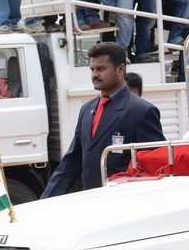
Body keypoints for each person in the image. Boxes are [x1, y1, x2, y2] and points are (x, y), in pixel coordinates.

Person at [42, 43, 165, 194]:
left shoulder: (142, 111)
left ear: (120, 69)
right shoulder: (86, 109)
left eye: (101, 69)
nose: (94, 74)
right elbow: (71, 162)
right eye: (92, 69)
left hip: (125, 204)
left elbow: (155, 166)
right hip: (92, 201)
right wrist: (45, 200)